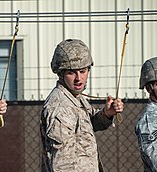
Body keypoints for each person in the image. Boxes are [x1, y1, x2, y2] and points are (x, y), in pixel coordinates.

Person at [40, 39, 124, 172]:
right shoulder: (61, 108)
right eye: (71, 72)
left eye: (83, 71)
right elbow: (62, 164)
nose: (79, 78)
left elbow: (89, 124)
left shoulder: (74, 98)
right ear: (61, 74)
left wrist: (107, 113)